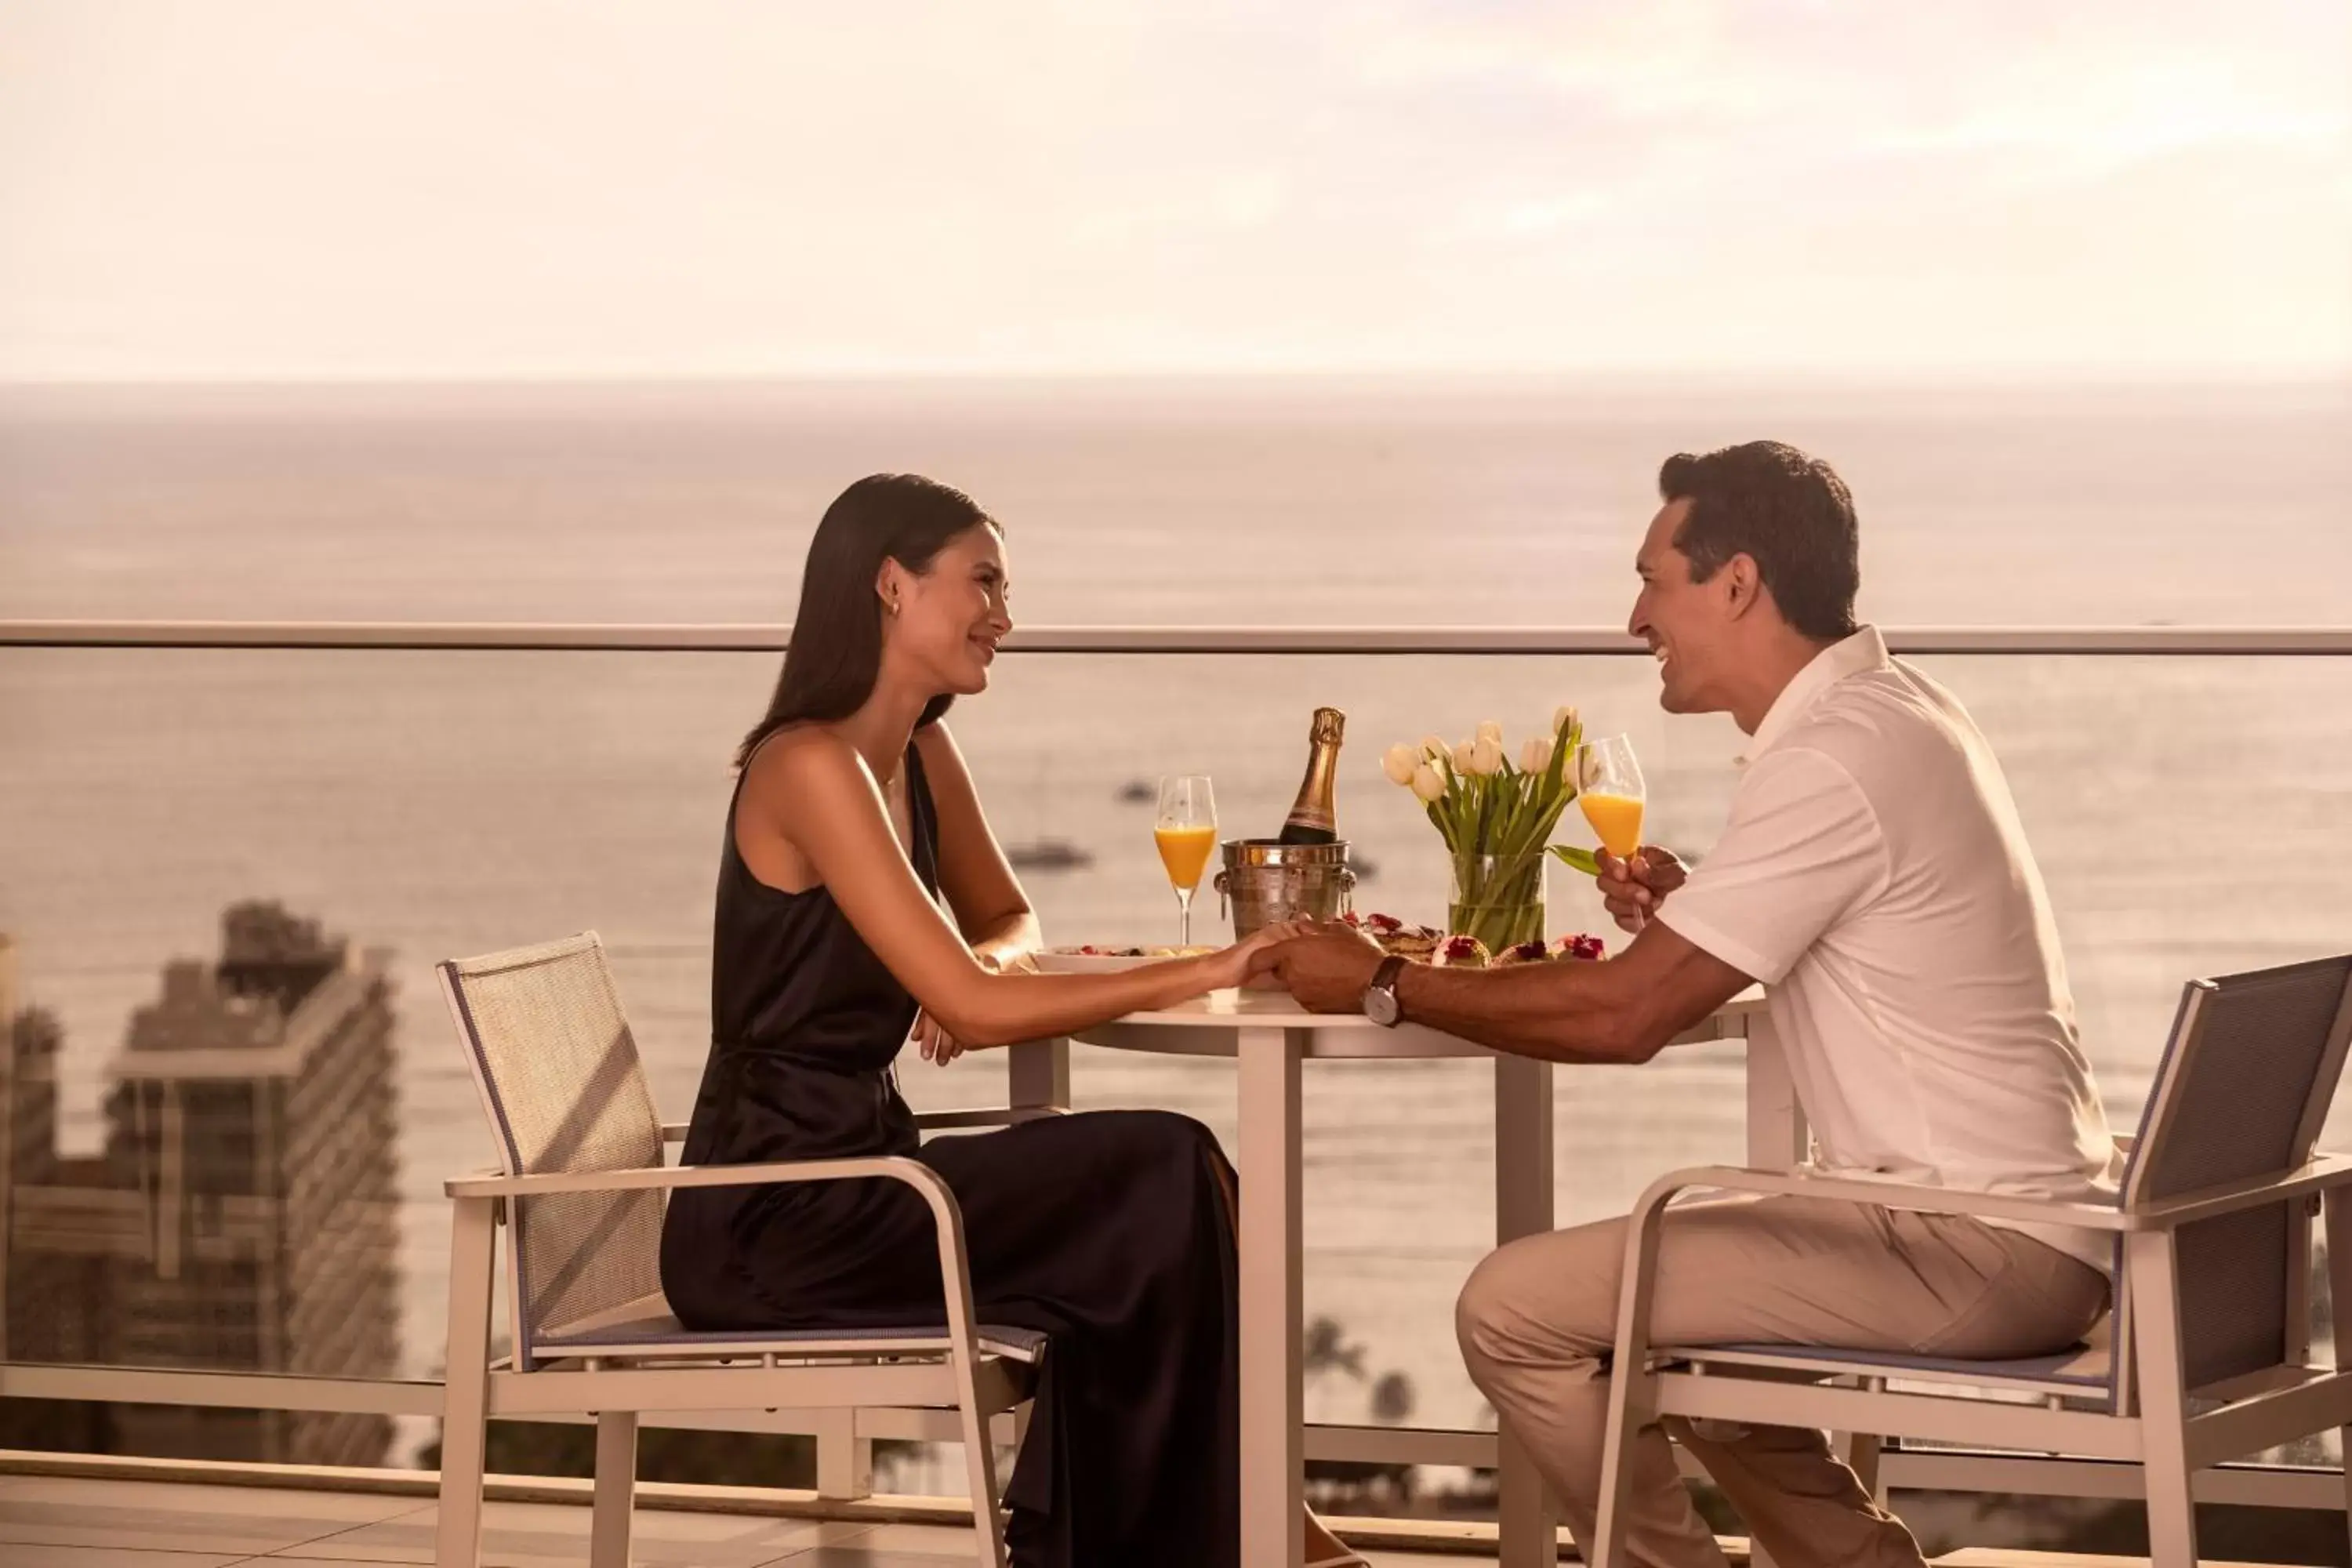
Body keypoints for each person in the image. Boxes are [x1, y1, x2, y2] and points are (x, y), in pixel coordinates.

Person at [1265, 441, 2122, 1568]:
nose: (1633, 620)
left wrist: (1381, 981)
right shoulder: (1901, 710)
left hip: (1969, 1249)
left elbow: (1625, 1020)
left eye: (1651, 581)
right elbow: (1866, 933)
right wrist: (1695, 906)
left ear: (1737, 584)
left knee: (1513, 1309)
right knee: (1699, 1349)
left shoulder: (1833, 754)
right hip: (2032, 1227)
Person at [658, 474, 1361, 1568]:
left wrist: (964, 964)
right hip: (777, 1217)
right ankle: (1264, 1530)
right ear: (891, 584)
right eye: (982, 582)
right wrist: (1205, 967)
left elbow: (1003, 920)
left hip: (871, 1175)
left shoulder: (919, 754)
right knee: (1163, 1166)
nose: (1004, 615)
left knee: (1163, 1182)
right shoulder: (808, 764)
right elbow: (981, 1015)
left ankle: (1246, 1527)